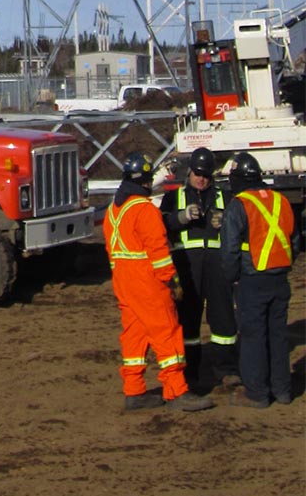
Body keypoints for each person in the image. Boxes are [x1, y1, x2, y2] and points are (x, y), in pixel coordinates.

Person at [104, 150, 213, 411]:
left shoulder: (113, 211)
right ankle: (176, 391)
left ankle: (134, 390)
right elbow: (159, 251)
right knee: (167, 331)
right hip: (146, 281)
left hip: (123, 280)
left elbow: (111, 250)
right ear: (145, 181)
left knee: (134, 334)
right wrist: (172, 281)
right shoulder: (145, 210)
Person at [220, 151, 296, 408]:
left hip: (251, 281)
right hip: (279, 278)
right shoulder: (281, 201)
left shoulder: (239, 205)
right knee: (278, 335)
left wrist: (231, 279)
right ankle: (283, 391)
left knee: (252, 337)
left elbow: (229, 250)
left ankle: (257, 394)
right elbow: (293, 240)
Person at [159, 145, 239, 390]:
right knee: (188, 321)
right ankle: (190, 372)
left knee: (223, 319)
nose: (201, 179)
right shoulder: (174, 197)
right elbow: (161, 224)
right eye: (197, 174)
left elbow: (239, 225)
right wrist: (180, 218)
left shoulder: (224, 196)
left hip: (217, 265)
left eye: (205, 175)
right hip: (188, 267)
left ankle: (225, 370)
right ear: (189, 172)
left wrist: (225, 222)